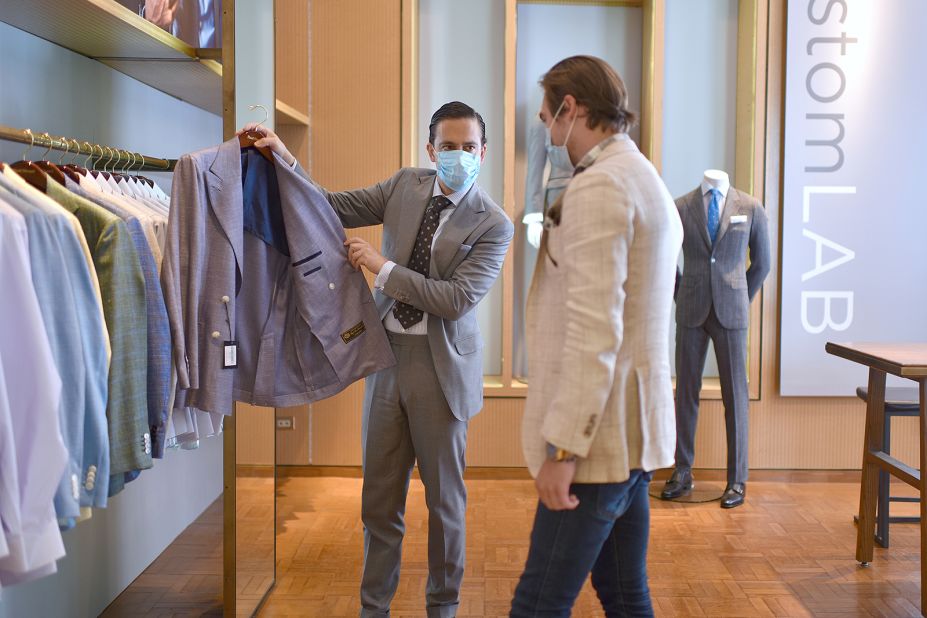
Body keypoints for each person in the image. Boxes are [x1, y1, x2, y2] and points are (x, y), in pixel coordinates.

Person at [240, 101, 514, 618]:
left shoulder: (494, 224)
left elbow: (455, 299)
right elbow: (330, 206)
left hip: (442, 369)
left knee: (445, 505)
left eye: (469, 147)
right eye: (448, 147)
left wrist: (382, 267)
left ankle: (444, 607)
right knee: (378, 502)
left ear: (484, 152)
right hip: (387, 361)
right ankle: (374, 608)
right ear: (431, 150)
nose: (459, 156)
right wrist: (284, 161)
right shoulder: (405, 186)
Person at [511, 55, 683, 617]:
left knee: (537, 604)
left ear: (572, 109)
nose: (547, 132)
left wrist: (564, 447)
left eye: (546, 118)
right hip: (634, 435)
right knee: (625, 593)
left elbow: (594, 333)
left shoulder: (600, 187)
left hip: (596, 444)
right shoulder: (643, 177)